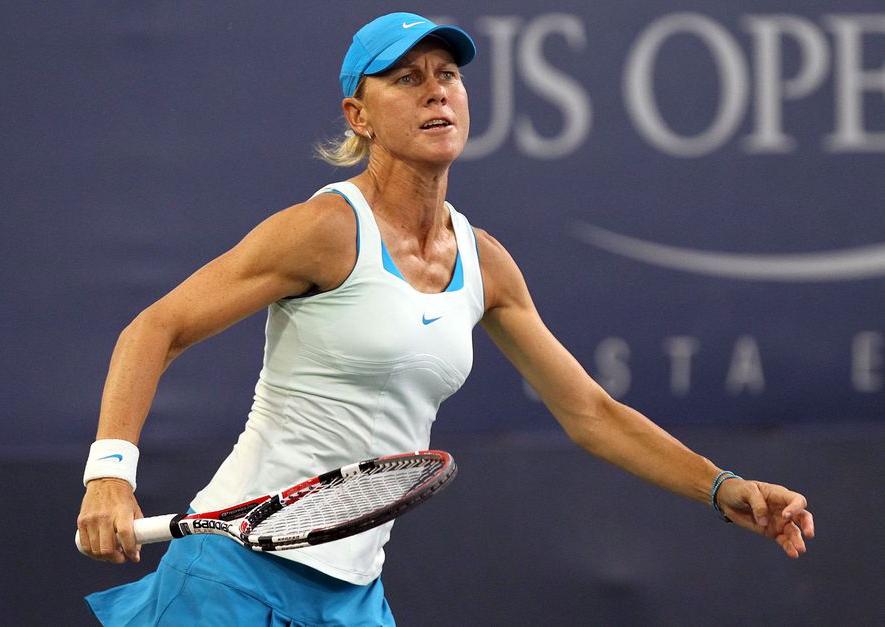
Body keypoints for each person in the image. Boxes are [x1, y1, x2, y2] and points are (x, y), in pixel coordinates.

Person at [76, 12, 815, 626]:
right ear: (358, 116)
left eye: (448, 75)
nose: (436, 92)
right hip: (231, 582)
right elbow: (154, 327)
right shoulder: (324, 230)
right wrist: (109, 474)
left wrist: (724, 487)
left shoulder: (484, 262)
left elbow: (590, 411)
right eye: (407, 78)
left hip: (354, 597)